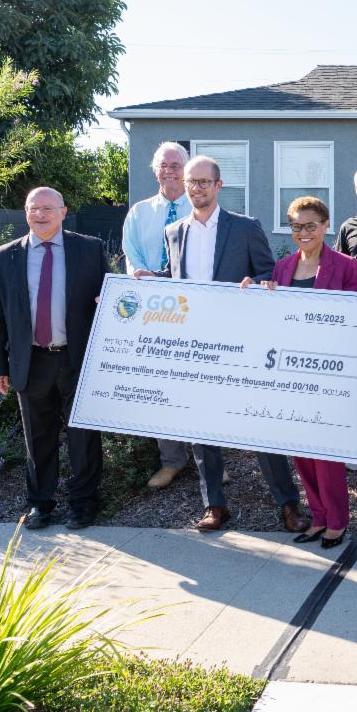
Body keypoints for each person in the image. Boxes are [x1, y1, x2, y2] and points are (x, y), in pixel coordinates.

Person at [133, 155, 310, 534]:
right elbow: (179, 279)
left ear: (218, 186)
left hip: (240, 343)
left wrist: (257, 283)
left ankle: (289, 504)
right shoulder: (175, 231)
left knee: (260, 427)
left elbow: (267, 273)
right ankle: (215, 505)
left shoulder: (245, 227)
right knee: (201, 428)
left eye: (203, 182)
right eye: (190, 181)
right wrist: (152, 282)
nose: (196, 187)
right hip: (196, 345)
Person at [0, 187, 110, 530]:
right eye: (33, 208)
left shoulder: (89, 249)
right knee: (37, 436)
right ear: (26, 212)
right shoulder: (4, 256)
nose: (40, 214)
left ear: (63, 211)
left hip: (77, 358)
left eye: (47, 208)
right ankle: (40, 504)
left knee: (83, 436)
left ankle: (83, 504)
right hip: (31, 361)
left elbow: (112, 301)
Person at [247, 196, 357, 548]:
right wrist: (254, 293)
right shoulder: (282, 268)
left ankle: (337, 520)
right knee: (300, 450)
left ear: (326, 226)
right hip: (290, 372)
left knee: (326, 453)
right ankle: (318, 516)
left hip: (328, 373)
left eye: (310, 225)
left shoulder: (346, 266)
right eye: (297, 226)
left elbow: (355, 318)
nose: (303, 232)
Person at [122, 141, 199, 489]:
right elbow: (132, 257)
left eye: (176, 164)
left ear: (186, 170)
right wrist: (148, 281)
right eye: (163, 165)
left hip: (192, 305)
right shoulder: (139, 213)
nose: (170, 170)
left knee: (199, 383)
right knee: (161, 383)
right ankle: (172, 460)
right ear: (155, 170)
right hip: (154, 311)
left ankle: (209, 459)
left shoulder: (199, 209)